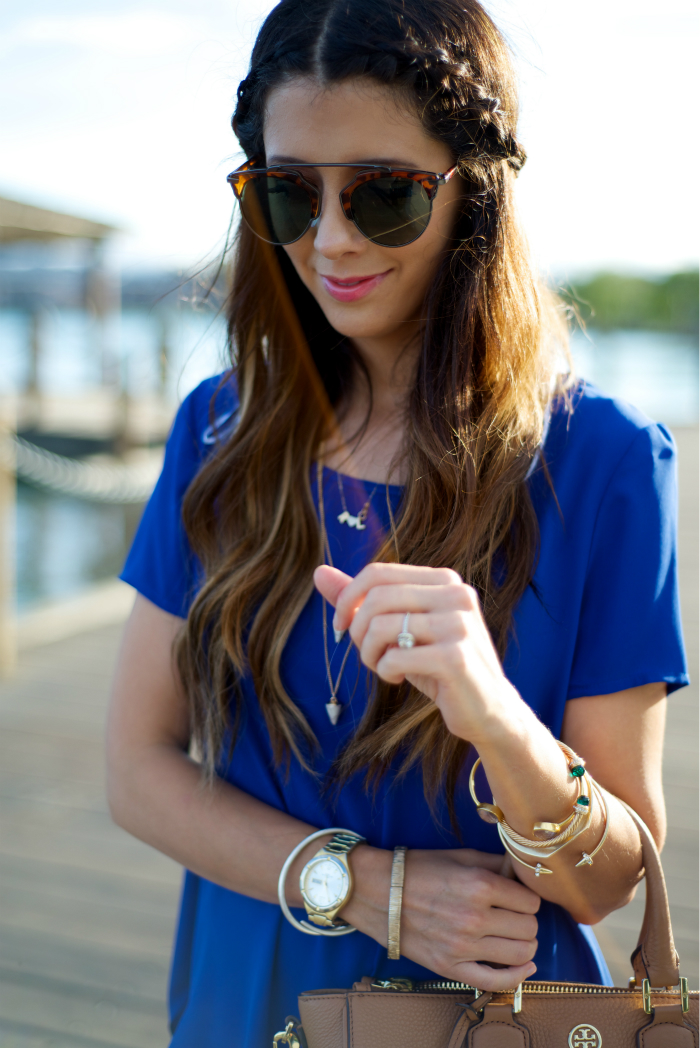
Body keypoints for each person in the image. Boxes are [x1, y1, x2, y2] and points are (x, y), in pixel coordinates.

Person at [106, 0, 688, 1044]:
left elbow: (609, 880)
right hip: (242, 1006)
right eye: (290, 193)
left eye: (381, 194)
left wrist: (495, 713)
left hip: (493, 1018)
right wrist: (365, 886)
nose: (329, 239)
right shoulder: (218, 431)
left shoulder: (600, 460)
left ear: (473, 194)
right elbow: (135, 768)